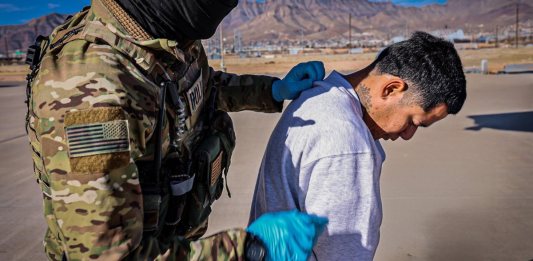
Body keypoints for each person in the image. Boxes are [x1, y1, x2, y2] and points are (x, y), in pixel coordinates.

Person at [24, 0, 328, 260]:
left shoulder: (166, 35)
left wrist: (272, 90)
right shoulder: (91, 92)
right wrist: (247, 251)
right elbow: (110, 255)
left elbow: (201, 86)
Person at [249, 31, 467, 260]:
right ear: (391, 89)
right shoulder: (347, 143)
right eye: (412, 121)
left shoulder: (316, 96)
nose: (408, 135)